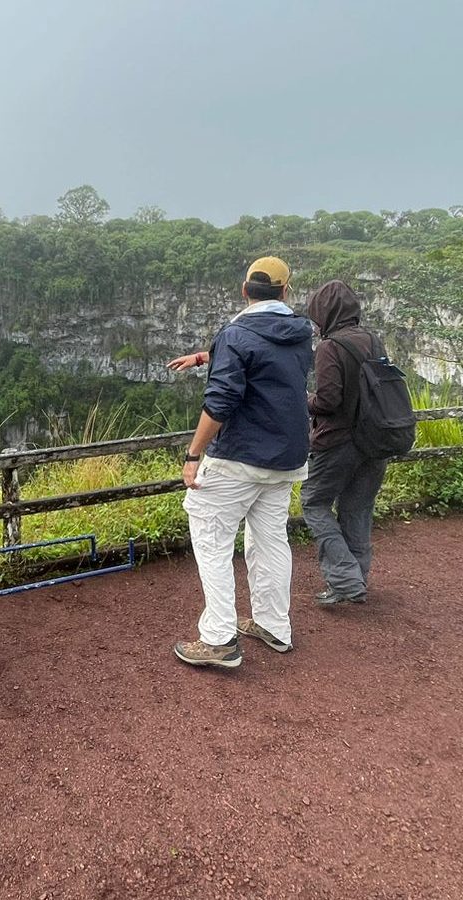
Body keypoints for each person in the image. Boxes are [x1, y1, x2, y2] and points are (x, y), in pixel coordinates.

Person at [172, 257, 314, 668]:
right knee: (270, 540)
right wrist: (206, 356)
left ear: (244, 290)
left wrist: (192, 454)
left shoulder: (236, 334)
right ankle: (273, 626)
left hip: (240, 457)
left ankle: (218, 638)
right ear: (285, 292)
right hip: (286, 458)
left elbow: (221, 401)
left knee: (211, 536)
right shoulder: (301, 332)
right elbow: (265, 361)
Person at [301, 280, 388, 606]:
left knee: (314, 503)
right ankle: (355, 579)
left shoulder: (330, 347)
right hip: (376, 440)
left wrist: (303, 400)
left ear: (325, 314)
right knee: (357, 508)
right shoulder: (372, 339)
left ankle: (344, 577)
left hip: (338, 443)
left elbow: (327, 400)